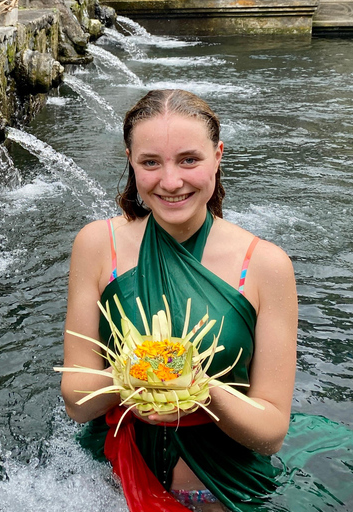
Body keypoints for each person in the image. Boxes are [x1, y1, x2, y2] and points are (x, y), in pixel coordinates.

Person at [60, 89, 298, 512]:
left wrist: (199, 388)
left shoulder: (264, 266)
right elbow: (77, 400)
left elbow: (272, 429)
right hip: (111, 487)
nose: (171, 181)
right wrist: (137, 375)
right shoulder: (98, 245)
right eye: (151, 162)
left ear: (218, 156)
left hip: (218, 492)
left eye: (189, 159)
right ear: (131, 161)